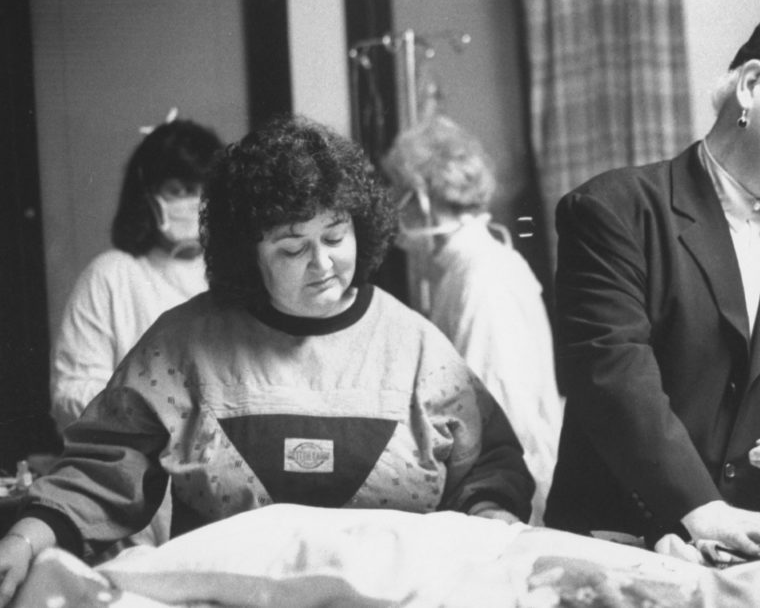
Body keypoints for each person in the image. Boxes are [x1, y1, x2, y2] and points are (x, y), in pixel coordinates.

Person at [0, 116, 533, 605]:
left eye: (335, 236)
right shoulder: (186, 345)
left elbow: (488, 468)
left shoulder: (415, 346)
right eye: (292, 248)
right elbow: (102, 471)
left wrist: (493, 527)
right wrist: (25, 540)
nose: (322, 264)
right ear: (248, 255)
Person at [545, 5, 760, 555]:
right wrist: (703, 509)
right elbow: (610, 375)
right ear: (753, 85)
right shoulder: (615, 212)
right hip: (622, 544)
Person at [48, 116, 222, 551]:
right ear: (147, 196)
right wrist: (159, 419)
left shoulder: (236, 280)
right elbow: (71, 392)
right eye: (178, 191)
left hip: (223, 490)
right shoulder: (111, 277)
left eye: (201, 189)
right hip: (135, 493)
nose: (191, 203)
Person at [382, 115, 562, 525]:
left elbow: (498, 408)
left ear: (421, 196)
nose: (393, 205)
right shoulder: (466, 270)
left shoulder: (484, 279)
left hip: (509, 494)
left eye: (397, 191)